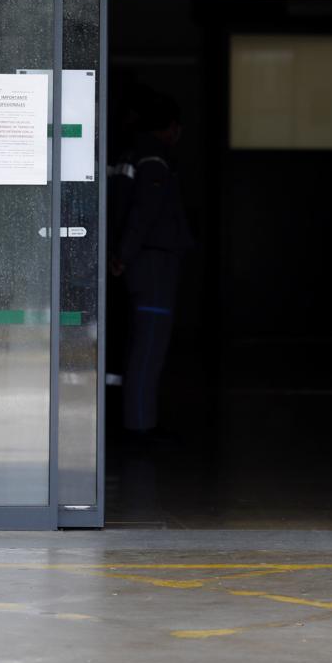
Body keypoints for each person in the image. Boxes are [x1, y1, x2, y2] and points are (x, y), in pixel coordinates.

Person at [110, 92, 195, 480]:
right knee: (149, 348)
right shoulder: (154, 160)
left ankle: (138, 420)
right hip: (153, 265)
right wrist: (124, 254)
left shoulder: (129, 155)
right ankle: (139, 425)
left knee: (139, 345)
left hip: (140, 264)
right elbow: (145, 212)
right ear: (170, 127)